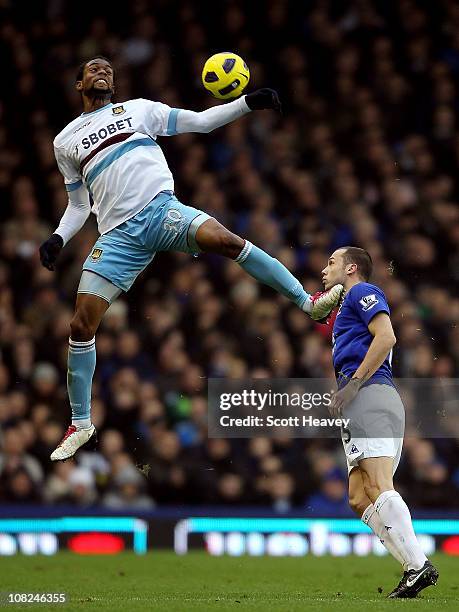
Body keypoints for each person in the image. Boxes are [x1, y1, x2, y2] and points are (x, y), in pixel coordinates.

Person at [39, 57, 341, 462]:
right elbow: (79, 205)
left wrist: (247, 103)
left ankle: (308, 303)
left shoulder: (139, 109)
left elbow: (200, 122)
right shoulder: (65, 141)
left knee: (226, 240)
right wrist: (59, 237)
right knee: (80, 323)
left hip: (162, 211)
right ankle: (81, 423)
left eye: (109, 68)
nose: (103, 71)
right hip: (117, 237)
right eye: (94, 68)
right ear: (79, 83)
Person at [322, 246, 439, 599]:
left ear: (352, 268)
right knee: (359, 497)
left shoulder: (362, 291)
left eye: (331, 263)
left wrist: (353, 384)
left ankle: (418, 565)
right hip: (366, 397)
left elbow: (386, 336)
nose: (324, 270)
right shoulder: (347, 305)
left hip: (369, 394)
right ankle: (413, 567)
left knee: (377, 482)